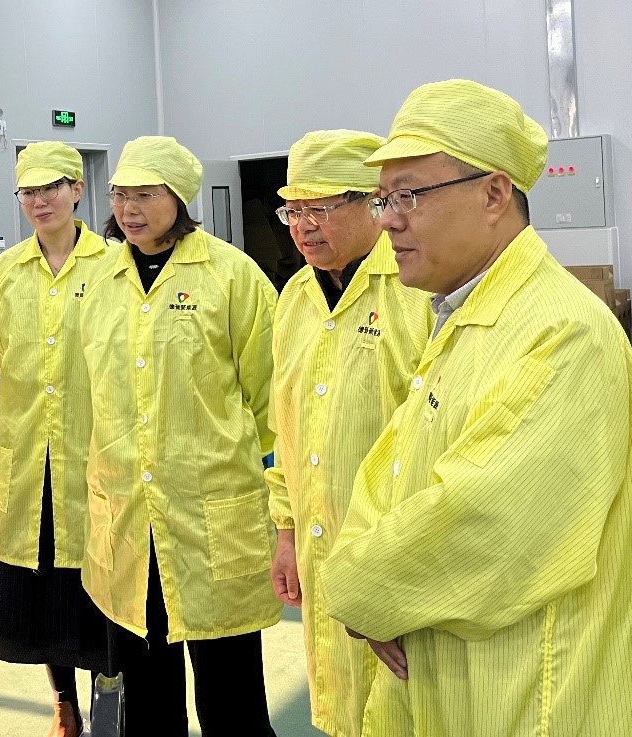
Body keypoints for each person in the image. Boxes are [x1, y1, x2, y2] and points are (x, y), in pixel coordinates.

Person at [321, 80, 632, 736]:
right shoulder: (461, 316)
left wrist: (356, 589)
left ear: (493, 194)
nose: (387, 219)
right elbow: (388, 475)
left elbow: (480, 526)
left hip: (536, 701)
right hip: (453, 688)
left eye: (409, 195)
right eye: (383, 198)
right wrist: (364, 581)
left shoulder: (561, 332)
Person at [80, 136, 279, 736]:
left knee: (232, 699)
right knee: (146, 700)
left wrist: (211, 456)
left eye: (145, 195)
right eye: (120, 194)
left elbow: (270, 395)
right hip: (127, 517)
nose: (128, 209)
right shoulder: (100, 280)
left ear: (179, 198)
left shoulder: (231, 275)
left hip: (210, 514)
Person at [265, 130, 433, 737]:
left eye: (321, 208)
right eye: (292, 210)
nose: (303, 227)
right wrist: (287, 532)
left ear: (372, 204)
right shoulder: (295, 298)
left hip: (400, 556)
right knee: (340, 703)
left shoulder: (417, 291)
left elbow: (438, 443)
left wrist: (395, 574)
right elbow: (285, 426)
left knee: (407, 709)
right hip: (320, 544)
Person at [0, 141, 114, 736]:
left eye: (52, 188)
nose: (40, 201)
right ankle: (64, 702)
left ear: (77, 190)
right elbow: (7, 353)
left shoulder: (111, 265)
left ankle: (110, 693)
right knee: (44, 595)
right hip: (31, 455)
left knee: (104, 584)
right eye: (29, 191)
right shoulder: (6, 270)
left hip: (95, 452)